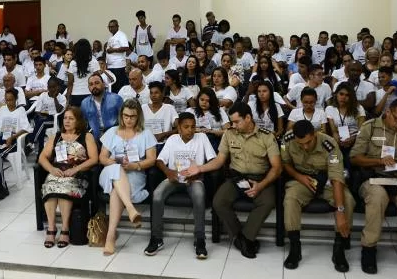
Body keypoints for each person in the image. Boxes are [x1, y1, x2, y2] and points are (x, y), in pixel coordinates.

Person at [186, 103, 281, 259]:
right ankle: (240, 238)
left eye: (237, 122)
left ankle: (246, 238)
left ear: (248, 118)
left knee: (267, 202)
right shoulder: (229, 134)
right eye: (232, 122)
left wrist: (261, 186)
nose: (233, 125)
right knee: (218, 202)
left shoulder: (266, 136)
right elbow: (219, 160)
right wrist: (200, 169)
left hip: (261, 179)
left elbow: (277, 168)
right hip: (237, 177)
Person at [350, 98, 397, 275]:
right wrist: (379, 161)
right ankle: (369, 249)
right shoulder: (370, 127)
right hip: (372, 177)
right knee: (378, 197)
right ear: (388, 112)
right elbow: (354, 158)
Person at [281, 120, 354, 272]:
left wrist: (339, 211)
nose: (305, 147)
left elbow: (336, 177)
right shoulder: (287, 139)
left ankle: (339, 248)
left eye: (308, 142)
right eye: (300, 144)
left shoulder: (329, 144)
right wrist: (298, 176)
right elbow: (285, 162)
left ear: (314, 134)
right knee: (290, 198)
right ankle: (295, 248)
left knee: (347, 200)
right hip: (303, 179)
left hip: (327, 180)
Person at [146, 113, 217, 259]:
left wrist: (198, 173)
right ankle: (156, 238)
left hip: (194, 179)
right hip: (174, 178)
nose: (190, 130)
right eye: (186, 127)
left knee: (198, 196)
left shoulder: (202, 138)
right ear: (179, 128)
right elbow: (159, 160)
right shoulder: (172, 139)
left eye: (193, 127)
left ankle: (199, 239)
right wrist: (168, 171)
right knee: (157, 195)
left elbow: (212, 160)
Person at [97, 99, 157, 256]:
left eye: (132, 116)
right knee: (116, 170)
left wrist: (135, 166)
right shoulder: (112, 132)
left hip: (135, 173)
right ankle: (130, 209)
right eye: (125, 116)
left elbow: (151, 159)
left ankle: (110, 236)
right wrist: (116, 161)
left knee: (116, 192)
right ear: (121, 115)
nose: (128, 119)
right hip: (110, 172)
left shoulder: (146, 133)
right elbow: (102, 158)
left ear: (139, 117)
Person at [38, 107, 99, 248]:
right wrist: (52, 169)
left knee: (65, 188)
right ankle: (52, 229)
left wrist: (75, 169)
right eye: (65, 118)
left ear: (78, 121)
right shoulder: (57, 136)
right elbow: (42, 157)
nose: (67, 121)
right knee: (49, 186)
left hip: (78, 175)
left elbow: (94, 159)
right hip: (57, 173)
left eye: (71, 118)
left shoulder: (86, 136)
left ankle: (65, 229)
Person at [325, 82, 366, 159]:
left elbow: (362, 130)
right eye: (341, 94)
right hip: (338, 140)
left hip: (356, 140)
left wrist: (353, 139)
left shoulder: (359, 108)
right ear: (336, 94)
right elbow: (333, 131)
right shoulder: (330, 109)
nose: (343, 97)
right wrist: (339, 141)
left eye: (347, 95)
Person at [81, 72, 123, 141]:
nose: (94, 86)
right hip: (94, 137)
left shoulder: (116, 99)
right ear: (88, 88)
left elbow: (123, 120)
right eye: (91, 84)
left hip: (114, 136)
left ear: (103, 84)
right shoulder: (84, 103)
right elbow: (84, 124)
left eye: (97, 83)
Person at [28, 78, 65, 151]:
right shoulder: (43, 95)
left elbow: (59, 110)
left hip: (53, 119)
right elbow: (37, 111)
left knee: (41, 123)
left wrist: (55, 98)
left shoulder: (62, 97)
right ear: (47, 87)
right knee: (41, 126)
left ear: (58, 87)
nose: (52, 89)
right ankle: (40, 152)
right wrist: (41, 116)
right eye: (50, 87)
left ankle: (31, 141)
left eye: (54, 87)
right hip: (41, 117)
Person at [105, 19, 131, 92]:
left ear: (117, 26)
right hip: (111, 66)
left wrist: (113, 50)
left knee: (118, 87)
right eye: (109, 27)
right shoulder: (111, 37)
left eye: (112, 27)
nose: (110, 28)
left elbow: (126, 47)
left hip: (118, 66)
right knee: (112, 86)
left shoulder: (121, 35)